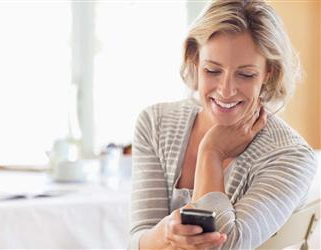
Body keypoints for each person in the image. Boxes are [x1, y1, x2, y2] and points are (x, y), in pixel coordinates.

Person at [129, 0, 317, 249]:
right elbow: (137, 241)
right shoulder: (155, 123)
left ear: (268, 73)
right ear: (195, 61)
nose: (226, 91)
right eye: (212, 71)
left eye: (246, 74)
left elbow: (222, 247)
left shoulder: (291, 156)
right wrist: (166, 233)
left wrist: (211, 153)